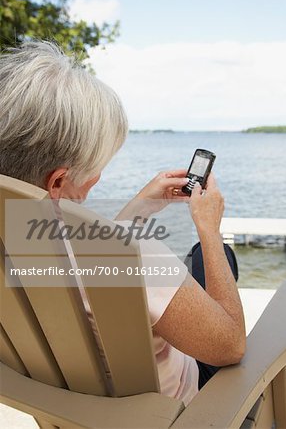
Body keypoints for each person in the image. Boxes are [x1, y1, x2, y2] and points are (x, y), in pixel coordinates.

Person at [0, 41, 246, 406]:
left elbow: (94, 257)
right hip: (167, 409)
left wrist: (140, 207)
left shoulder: (21, 237)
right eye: (97, 164)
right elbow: (229, 347)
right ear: (57, 182)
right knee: (216, 255)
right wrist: (209, 229)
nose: (99, 175)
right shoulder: (139, 261)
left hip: (70, 403)